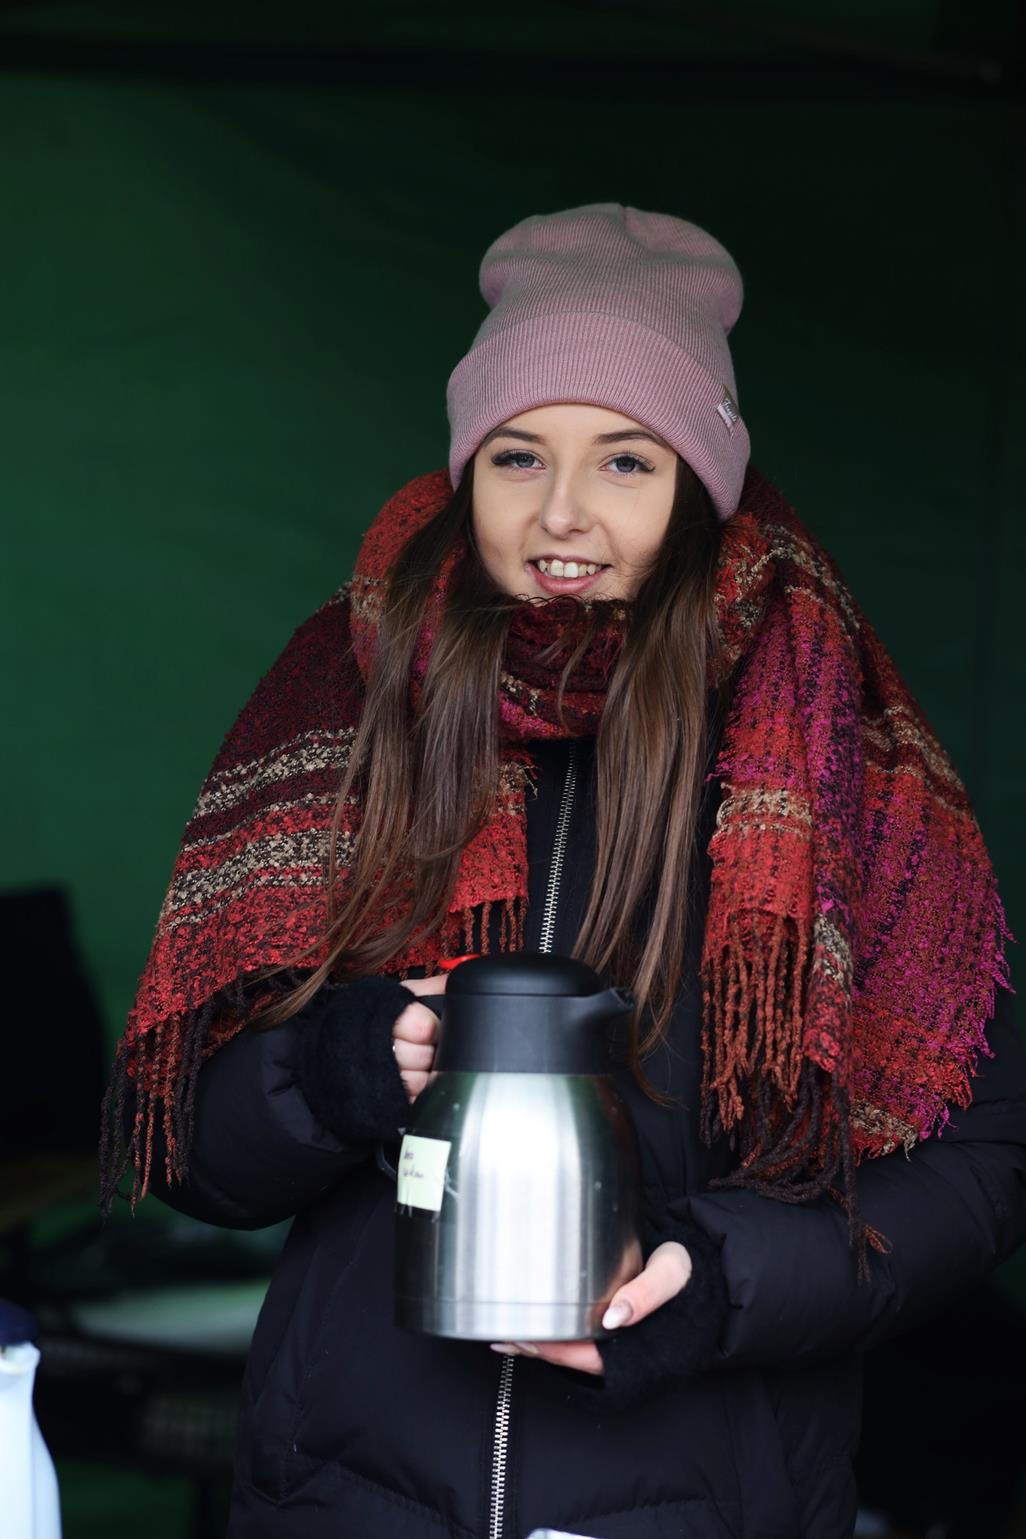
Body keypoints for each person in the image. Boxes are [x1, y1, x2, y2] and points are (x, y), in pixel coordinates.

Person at [100, 202, 1026, 1539]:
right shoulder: (346, 714)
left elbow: (983, 1164)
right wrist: (324, 1073)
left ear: (700, 488)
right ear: (466, 473)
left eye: (626, 460)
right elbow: (184, 1145)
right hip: (349, 1500)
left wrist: (724, 1281)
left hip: (697, 1502)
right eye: (518, 455)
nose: (562, 512)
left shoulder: (835, 756)